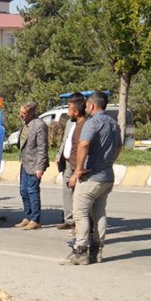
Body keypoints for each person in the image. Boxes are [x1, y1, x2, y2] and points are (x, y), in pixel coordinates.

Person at [62, 91, 121, 265]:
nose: (86, 108)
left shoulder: (92, 123)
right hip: (107, 176)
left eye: (87, 105)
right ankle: (97, 250)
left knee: (80, 213)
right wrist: (108, 162)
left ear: (92, 106)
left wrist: (78, 170)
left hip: (91, 177)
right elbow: (118, 147)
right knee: (99, 214)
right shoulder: (113, 123)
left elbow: (84, 144)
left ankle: (80, 251)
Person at [56, 93, 87, 230]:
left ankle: (80, 223)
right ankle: (69, 220)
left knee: (80, 194)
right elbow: (65, 140)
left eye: (69, 109)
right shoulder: (70, 123)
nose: (67, 113)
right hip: (67, 162)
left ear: (77, 109)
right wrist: (59, 154)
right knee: (67, 191)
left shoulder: (87, 123)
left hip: (80, 163)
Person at [16, 102, 48, 230]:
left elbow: (42, 148)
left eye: (23, 113)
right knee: (23, 191)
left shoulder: (39, 125)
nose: (21, 115)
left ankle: (35, 220)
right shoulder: (26, 123)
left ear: (31, 113)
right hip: (25, 162)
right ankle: (27, 217)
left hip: (35, 164)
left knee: (32, 191)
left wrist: (39, 167)